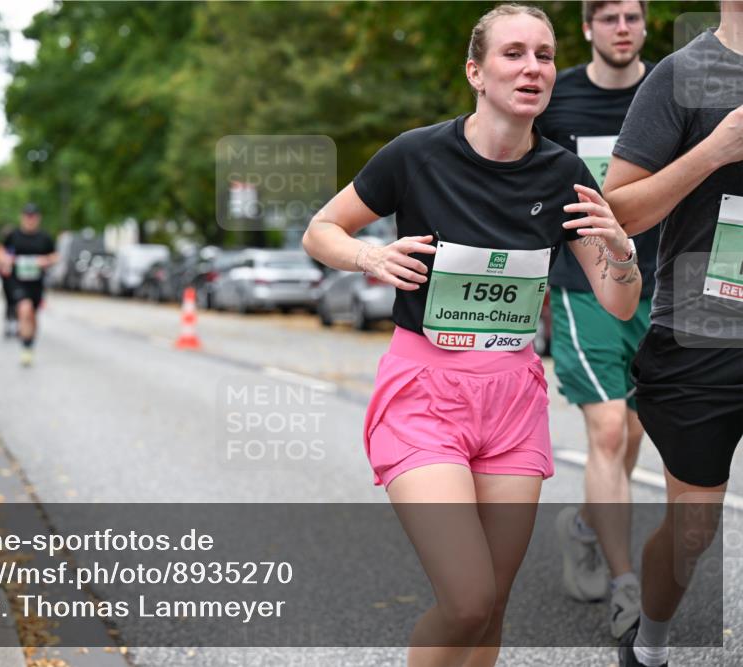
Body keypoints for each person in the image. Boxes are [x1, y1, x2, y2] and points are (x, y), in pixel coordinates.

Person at [302, 5, 642, 665]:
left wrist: (622, 250)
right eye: (513, 53)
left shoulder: (564, 175)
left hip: (512, 398)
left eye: (544, 55)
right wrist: (370, 256)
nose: (533, 68)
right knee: (465, 600)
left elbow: (619, 303)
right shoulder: (416, 154)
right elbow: (322, 230)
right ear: (475, 72)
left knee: (492, 609)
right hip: (424, 394)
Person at [601, 2, 743, 665]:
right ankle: (650, 644)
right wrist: (714, 152)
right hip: (701, 336)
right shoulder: (684, 74)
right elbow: (619, 210)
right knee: (693, 531)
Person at [534, 0, 657, 638]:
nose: (622, 28)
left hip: (659, 282)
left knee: (633, 431)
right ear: (588, 28)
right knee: (608, 431)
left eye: (632, 17)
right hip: (583, 284)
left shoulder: (668, 91)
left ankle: (584, 525)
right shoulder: (557, 98)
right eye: (608, 18)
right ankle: (625, 585)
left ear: (645, 24)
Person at [0, 204, 57, 365]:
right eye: (27, 216)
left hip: (36, 283)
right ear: (22, 217)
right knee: (24, 309)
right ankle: (25, 348)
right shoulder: (13, 235)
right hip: (17, 281)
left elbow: (55, 256)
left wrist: (45, 260)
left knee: (32, 315)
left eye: (33, 216)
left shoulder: (44, 237)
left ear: (38, 218)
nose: (30, 219)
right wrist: (6, 259)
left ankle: (30, 343)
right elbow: (0, 250)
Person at [0, 224, 20, 338]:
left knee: (16, 302)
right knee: (9, 302)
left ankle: (15, 324)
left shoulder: (18, 246)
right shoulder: (1, 247)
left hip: (17, 277)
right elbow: (0, 260)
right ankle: (9, 325)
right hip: (6, 278)